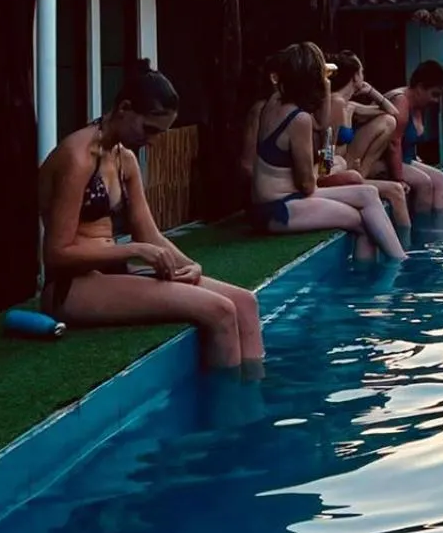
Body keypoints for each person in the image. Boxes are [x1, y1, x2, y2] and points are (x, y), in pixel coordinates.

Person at [40, 60, 264, 371]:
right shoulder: (77, 159)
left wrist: (190, 265)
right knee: (220, 311)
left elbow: (150, 235)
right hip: (70, 288)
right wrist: (133, 250)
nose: (151, 140)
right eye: (148, 129)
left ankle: (253, 399)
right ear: (125, 108)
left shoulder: (124, 159)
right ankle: (230, 413)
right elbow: (56, 254)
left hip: (114, 274)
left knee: (245, 303)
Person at [251, 41, 406, 261]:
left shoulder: (274, 102)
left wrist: (325, 85)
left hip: (273, 203)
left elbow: (322, 124)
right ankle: (386, 273)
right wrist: (328, 169)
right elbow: (307, 185)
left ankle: (399, 259)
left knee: (369, 193)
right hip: (278, 209)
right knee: (363, 223)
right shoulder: (299, 120)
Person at [387, 60, 443, 213]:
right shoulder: (400, 101)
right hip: (381, 162)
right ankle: (423, 233)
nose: (436, 100)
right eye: (434, 94)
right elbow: (393, 144)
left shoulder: (418, 105)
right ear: (420, 87)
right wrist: (399, 180)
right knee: (424, 182)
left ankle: (440, 230)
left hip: (405, 159)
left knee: (441, 178)